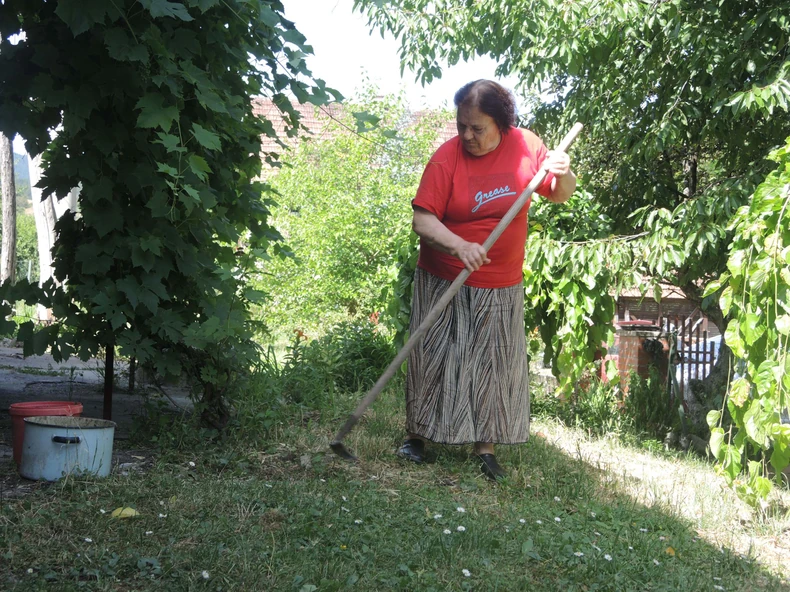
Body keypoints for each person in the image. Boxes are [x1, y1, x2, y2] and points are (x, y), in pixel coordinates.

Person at [396, 80, 576, 480]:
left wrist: (563, 174)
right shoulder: (447, 159)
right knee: (434, 355)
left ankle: (485, 448)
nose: (467, 135)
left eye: (478, 128)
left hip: (500, 278)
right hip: (444, 274)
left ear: (503, 124)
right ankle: (416, 438)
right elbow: (422, 219)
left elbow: (558, 193)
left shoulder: (527, 146)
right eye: (462, 125)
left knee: (492, 362)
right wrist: (459, 245)